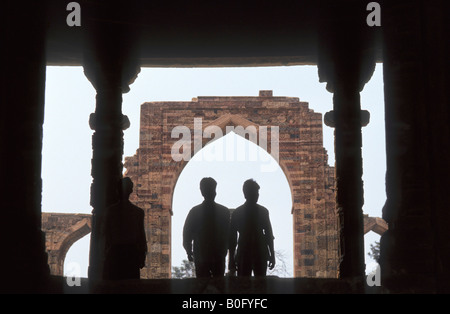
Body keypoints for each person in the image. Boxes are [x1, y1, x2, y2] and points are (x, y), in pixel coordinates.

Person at [182, 177, 230, 278]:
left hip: (201, 255)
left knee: (202, 286)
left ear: (202, 192)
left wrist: (189, 251)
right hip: (218, 255)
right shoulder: (224, 212)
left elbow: (187, 234)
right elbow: (230, 235)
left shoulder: (195, 212)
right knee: (219, 285)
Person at [228, 179, 275, 276]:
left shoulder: (237, 213)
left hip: (244, 253)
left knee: (244, 285)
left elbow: (232, 239)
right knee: (260, 284)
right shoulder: (263, 212)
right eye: (255, 192)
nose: (257, 195)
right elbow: (269, 235)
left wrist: (231, 260)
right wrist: (272, 255)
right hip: (259, 252)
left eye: (257, 193)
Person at [103, 177, 147, 280]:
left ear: (117, 190)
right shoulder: (138, 212)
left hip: (114, 253)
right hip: (131, 254)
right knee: (129, 287)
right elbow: (141, 237)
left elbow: (105, 235)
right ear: (131, 190)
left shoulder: (109, 211)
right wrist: (142, 256)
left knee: (114, 288)